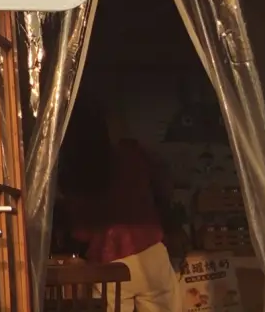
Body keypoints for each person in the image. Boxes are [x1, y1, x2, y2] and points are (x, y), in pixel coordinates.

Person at [58, 101, 180, 312]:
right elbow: (164, 187)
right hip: (151, 252)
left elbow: (80, 233)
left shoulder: (74, 172)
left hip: (109, 262)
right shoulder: (131, 154)